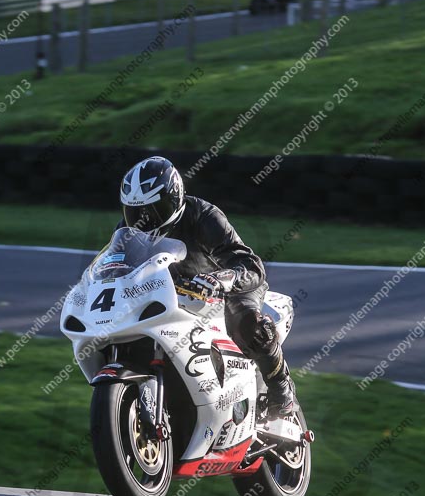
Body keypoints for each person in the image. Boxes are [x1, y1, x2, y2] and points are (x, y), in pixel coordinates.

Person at [118, 156, 295, 418]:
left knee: (248, 322)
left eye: (155, 210)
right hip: (174, 294)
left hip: (229, 287)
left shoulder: (203, 216)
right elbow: (117, 267)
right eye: (136, 213)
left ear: (175, 199)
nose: (146, 220)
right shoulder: (130, 231)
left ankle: (281, 387)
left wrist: (224, 280)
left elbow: (250, 265)